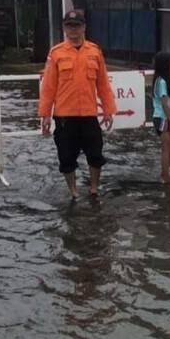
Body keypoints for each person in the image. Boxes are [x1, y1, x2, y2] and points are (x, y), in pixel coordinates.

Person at [38, 10, 116, 198]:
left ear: (84, 27)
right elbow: (48, 86)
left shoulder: (94, 51)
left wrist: (108, 109)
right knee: (66, 157)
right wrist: (45, 114)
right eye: (69, 25)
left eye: (77, 25)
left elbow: (103, 83)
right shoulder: (56, 53)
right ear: (64, 28)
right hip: (65, 116)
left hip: (89, 114)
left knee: (96, 155)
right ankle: (73, 191)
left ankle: (94, 188)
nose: (73, 29)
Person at [151, 51, 170, 183]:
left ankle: (165, 169)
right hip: (162, 118)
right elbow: (164, 104)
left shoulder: (165, 81)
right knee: (167, 148)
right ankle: (164, 176)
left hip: (166, 118)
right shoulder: (161, 82)